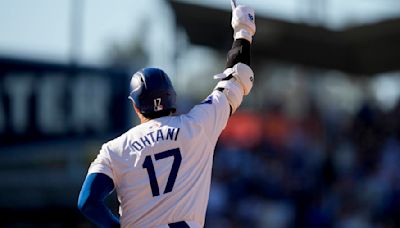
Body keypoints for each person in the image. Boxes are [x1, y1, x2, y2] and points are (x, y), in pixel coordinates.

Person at [77, 2, 256, 227]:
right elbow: (238, 79)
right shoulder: (198, 126)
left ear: (136, 106)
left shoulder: (114, 150)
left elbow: (87, 201)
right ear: (172, 99)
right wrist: (243, 31)